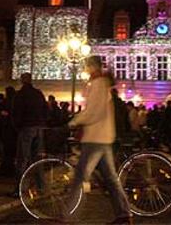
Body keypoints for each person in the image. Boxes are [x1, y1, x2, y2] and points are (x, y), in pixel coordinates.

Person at [67, 56, 132, 225]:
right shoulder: (102, 84)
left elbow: (94, 112)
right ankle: (123, 214)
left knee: (80, 177)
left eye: (86, 66)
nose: (85, 69)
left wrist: (74, 121)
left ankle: (67, 217)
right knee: (111, 178)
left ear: (91, 66)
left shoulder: (98, 84)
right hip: (103, 137)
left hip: (95, 138)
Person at [10, 73, 48, 197]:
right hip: (39, 127)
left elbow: (16, 113)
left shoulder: (20, 95)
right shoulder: (38, 93)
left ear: (22, 81)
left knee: (22, 159)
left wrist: (18, 126)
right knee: (37, 159)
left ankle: (19, 189)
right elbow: (46, 109)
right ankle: (41, 187)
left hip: (27, 127)